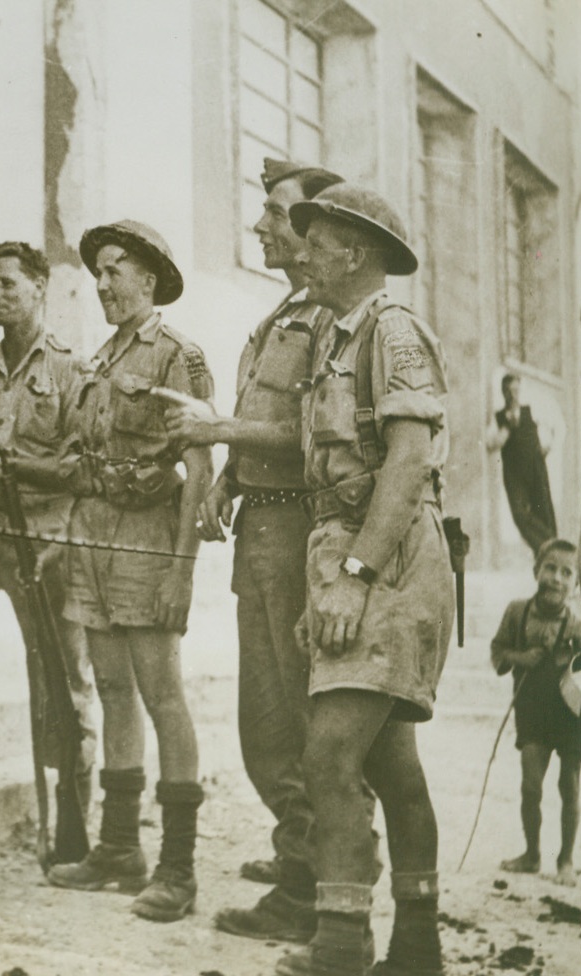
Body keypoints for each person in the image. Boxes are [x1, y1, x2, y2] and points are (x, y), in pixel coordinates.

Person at [163, 158, 342, 942]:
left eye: (275, 212)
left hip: (299, 534)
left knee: (290, 717)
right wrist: (229, 479)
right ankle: (303, 856)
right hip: (263, 530)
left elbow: (318, 433)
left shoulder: (331, 319)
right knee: (265, 719)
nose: (261, 224)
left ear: (314, 226)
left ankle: (310, 889)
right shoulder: (286, 314)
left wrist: (217, 431)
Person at [278, 184, 453, 976]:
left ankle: (340, 948)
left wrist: (352, 578)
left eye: (315, 243)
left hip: (389, 557)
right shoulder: (337, 337)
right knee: (389, 763)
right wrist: (327, 581)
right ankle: (416, 949)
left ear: (354, 253)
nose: (303, 254)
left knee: (329, 754)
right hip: (350, 551)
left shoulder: (392, 330)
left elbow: (408, 463)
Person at [46, 220, 213, 927]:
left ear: (149, 278)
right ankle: (118, 848)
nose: (103, 283)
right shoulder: (101, 356)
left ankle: (178, 867)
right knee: (113, 688)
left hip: (149, 537)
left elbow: (199, 469)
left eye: (115, 270)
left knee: (161, 694)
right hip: (93, 535)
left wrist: (181, 568)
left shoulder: (178, 355)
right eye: (99, 272)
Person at [0, 241, 97, 861]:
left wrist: (21, 467)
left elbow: (82, 465)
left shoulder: (71, 371)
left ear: (40, 287)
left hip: (51, 545)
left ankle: (74, 816)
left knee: (62, 680)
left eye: (8, 284)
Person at [491, 538, 581, 888]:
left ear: (576, 583)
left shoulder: (577, 623)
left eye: (567, 573)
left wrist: (570, 659)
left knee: (569, 787)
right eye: (550, 568)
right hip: (531, 711)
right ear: (535, 571)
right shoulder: (517, 612)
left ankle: (566, 860)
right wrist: (522, 658)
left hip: (571, 715)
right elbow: (498, 653)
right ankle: (531, 855)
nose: (556, 578)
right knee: (530, 786)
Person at [487, 374, 558, 555]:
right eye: (508, 391)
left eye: (516, 390)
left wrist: (546, 446)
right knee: (519, 515)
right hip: (514, 475)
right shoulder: (499, 417)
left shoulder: (531, 410)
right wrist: (507, 428)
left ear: (520, 390)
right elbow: (490, 444)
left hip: (535, 469)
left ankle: (549, 551)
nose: (513, 395)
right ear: (503, 393)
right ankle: (549, 545)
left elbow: (554, 427)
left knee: (544, 513)